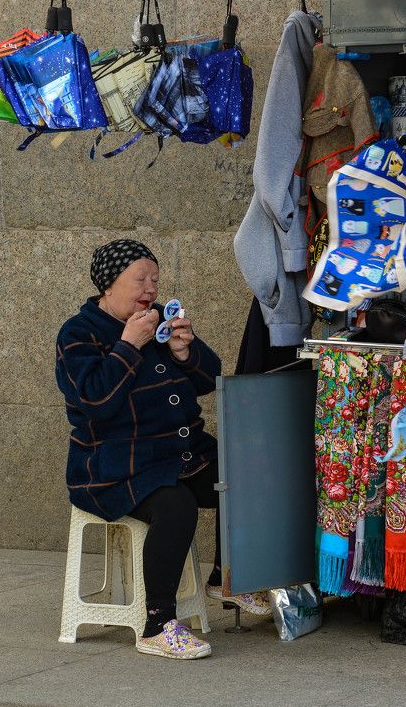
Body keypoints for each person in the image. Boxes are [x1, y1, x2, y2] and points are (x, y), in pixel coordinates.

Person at [55, 239, 270, 660]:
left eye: (154, 278)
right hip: (115, 467)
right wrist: (128, 345)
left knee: (244, 473)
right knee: (176, 506)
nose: (150, 288)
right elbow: (95, 401)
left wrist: (185, 350)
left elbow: (209, 380)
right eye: (140, 279)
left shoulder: (154, 324)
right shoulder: (78, 334)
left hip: (179, 456)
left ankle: (226, 578)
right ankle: (158, 625)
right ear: (109, 284)